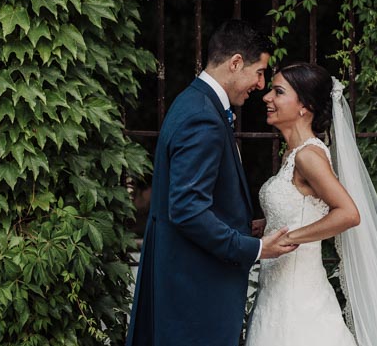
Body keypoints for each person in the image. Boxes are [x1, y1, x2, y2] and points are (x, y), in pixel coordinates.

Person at [126, 20, 298, 346]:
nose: (261, 85)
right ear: (235, 63)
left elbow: (196, 197)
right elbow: (188, 210)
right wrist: (257, 248)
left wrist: (241, 225)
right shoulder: (202, 117)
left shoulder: (192, 103)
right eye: (259, 72)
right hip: (195, 295)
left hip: (184, 285)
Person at [245, 62, 377, 346]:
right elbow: (301, 207)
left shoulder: (308, 157)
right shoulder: (293, 154)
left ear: (304, 106)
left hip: (299, 305)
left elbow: (348, 214)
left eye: (278, 92)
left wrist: (290, 238)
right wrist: (268, 225)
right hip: (277, 296)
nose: (267, 98)